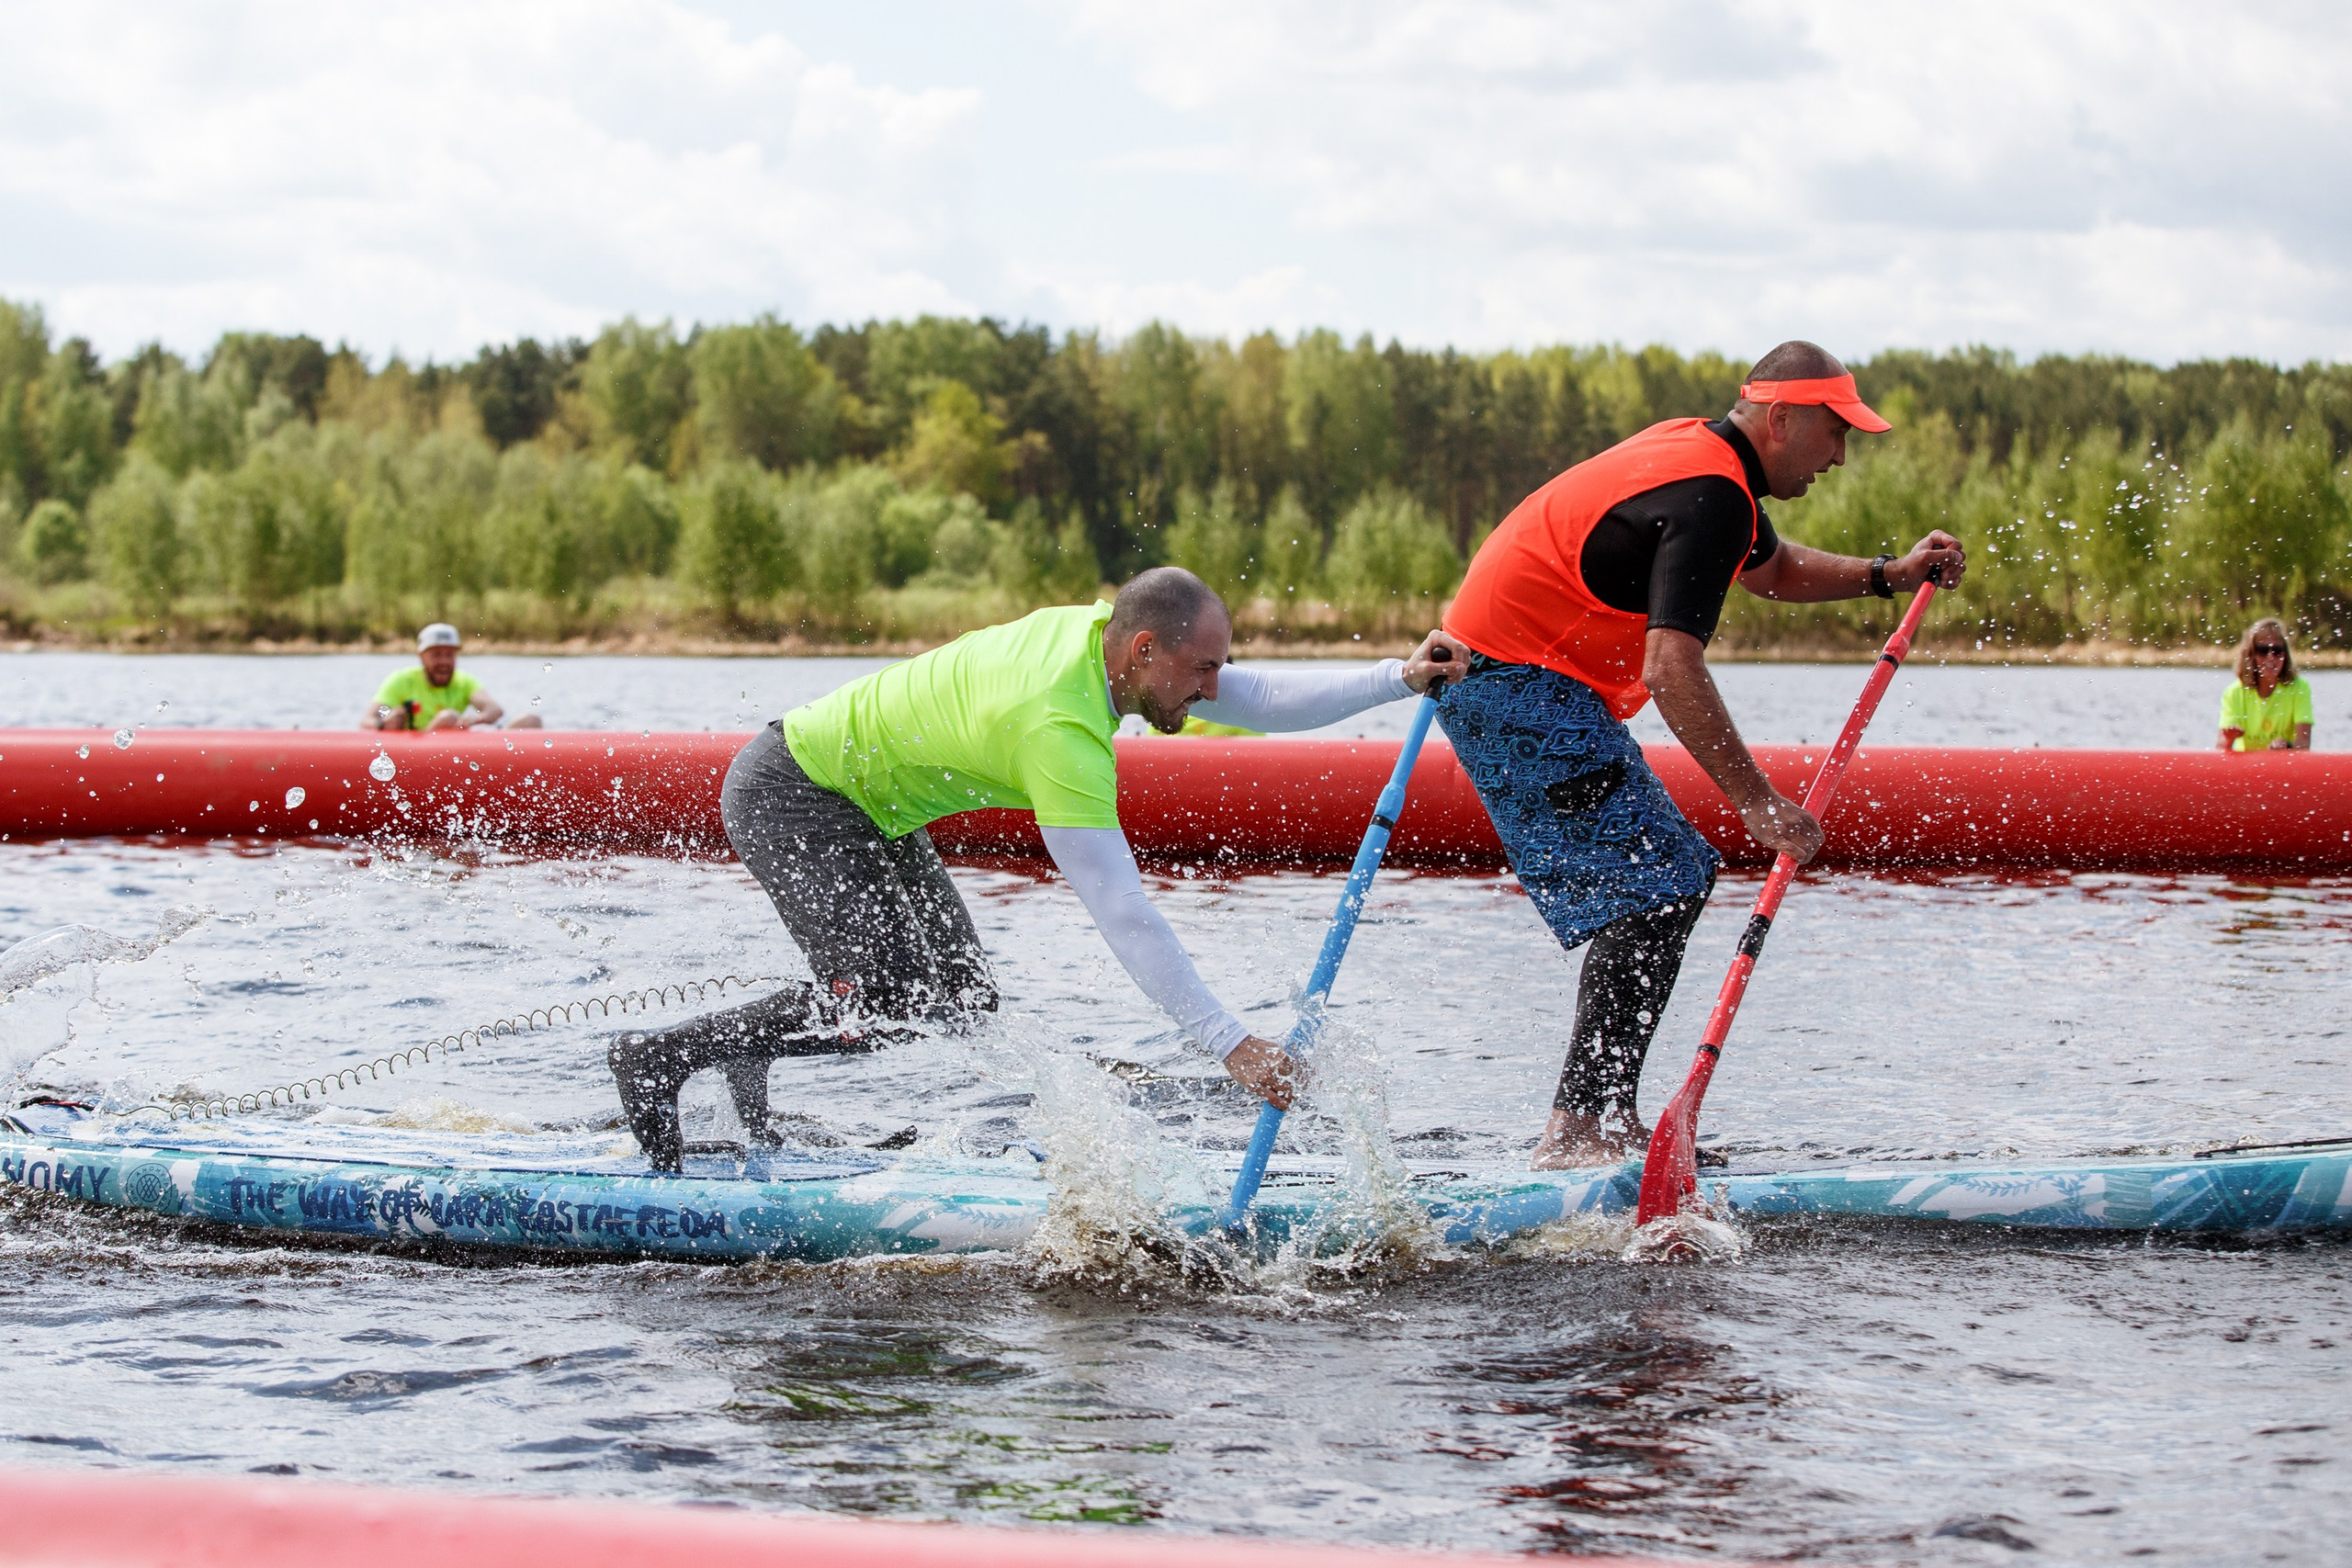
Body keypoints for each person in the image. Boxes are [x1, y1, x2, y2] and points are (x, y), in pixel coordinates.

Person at [607, 569, 1466, 1172]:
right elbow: (1122, 910)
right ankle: (659, 1057)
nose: (1212, 689)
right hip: (793, 791)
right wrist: (1231, 1044)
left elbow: (1261, 699)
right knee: (882, 995)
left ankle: (742, 1051)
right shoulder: (1062, 733)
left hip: (867, 805)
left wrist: (1400, 678)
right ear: (1143, 649)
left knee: (961, 996)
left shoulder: (1099, 638)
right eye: (1203, 669)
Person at [1438, 340, 1968, 1169]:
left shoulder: (1710, 462)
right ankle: (1582, 1132)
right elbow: (1670, 667)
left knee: (1664, 878)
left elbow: (1772, 568)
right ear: (1781, 418)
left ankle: (1595, 1121)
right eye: (1835, 433)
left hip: (1512, 676)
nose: (1839, 456)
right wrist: (1758, 802)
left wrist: (1887, 574)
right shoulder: (1711, 491)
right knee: (1664, 879)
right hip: (1507, 681)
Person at [362, 624, 543, 732]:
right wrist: (382, 723)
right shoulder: (401, 680)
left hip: (456, 748)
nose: (444, 662)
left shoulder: (463, 681)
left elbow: (494, 710)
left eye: (449, 655)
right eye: (437, 654)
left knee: (531, 721)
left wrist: (471, 721)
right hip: (417, 751)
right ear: (421, 656)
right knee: (448, 717)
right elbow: (365, 721)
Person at [2217, 619, 2312, 752]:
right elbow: (2221, 747)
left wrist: (2288, 746)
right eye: (2263, 650)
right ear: (2251, 654)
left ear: (2285, 654)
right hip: (2247, 764)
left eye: (2277, 650)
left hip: (2284, 763)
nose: (2270, 657)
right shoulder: (2234, 692)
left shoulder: (2300, 688)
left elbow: (2304, 743)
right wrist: (2229, 738)